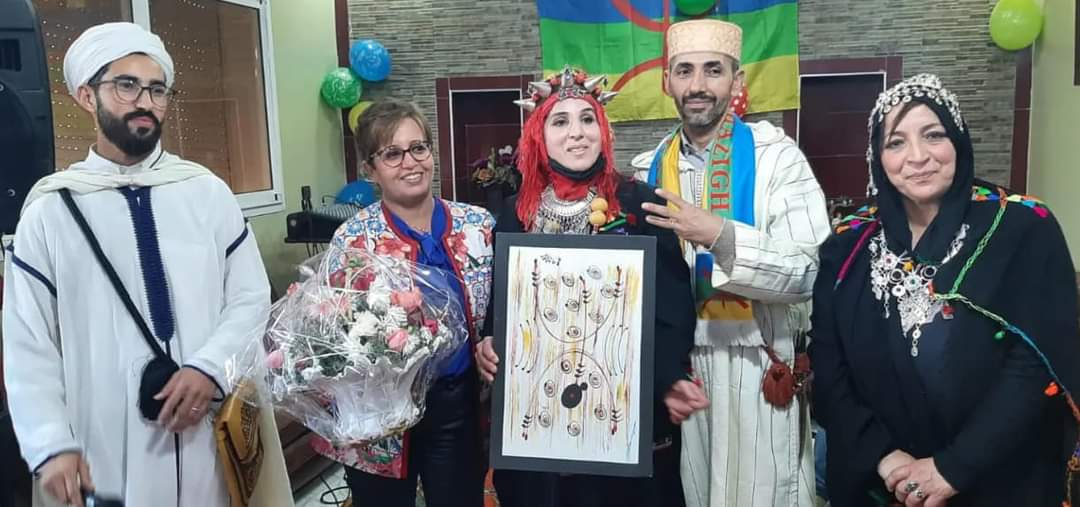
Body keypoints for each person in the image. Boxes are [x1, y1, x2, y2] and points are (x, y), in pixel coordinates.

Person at [2, 22, 288, 506]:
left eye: (157, 90)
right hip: (104, 443)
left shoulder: (206, 193)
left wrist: (209, 368)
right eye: (127, 85)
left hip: (204, 429)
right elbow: (28, 341)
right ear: (87, 96)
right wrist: (50, 442)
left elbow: (250, 296)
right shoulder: (50, 212)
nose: (145, 102)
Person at [810, 73, 1080, 507]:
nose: (917, 157)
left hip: (997, 478)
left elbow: (1037, 363)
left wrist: (953, 468)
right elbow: (828, 365)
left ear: (958, 140)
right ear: (878, 157)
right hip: (880, 480)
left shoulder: (1022, 227)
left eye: (933, 135)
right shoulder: (847, 243)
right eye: (896, 142)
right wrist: (885, 459)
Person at [474, 66, 709, 507]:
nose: (576, 133)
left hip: (621, 414)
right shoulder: (515, 213)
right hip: (540, 421)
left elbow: (673, 308)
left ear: (603, 130)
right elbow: (504, 308)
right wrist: (489, 342)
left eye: (587, 119)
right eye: (560, 121)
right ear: (539, 135)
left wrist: (668, 377)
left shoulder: (640, 203)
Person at [631, 19, 828, 507]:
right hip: (685, 374)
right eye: (685, 71)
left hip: (758, 363)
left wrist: (719, 235)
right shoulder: (648, 171)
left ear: (736, 80)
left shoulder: (777, 158)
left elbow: (809, 271)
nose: (698, 85)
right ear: (667, 82)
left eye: (713, 70)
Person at [313, 98, 495, 507]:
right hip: (379, 417)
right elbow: (329, 335)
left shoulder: (479, 227)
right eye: (392, 154)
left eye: (418, 148)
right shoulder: (353, 240)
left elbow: (500, 312)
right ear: (370, 169)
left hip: (459, 409)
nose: (410, 162)